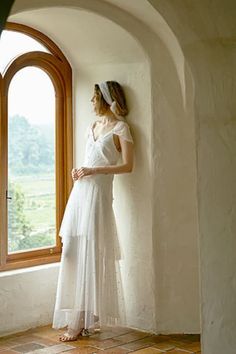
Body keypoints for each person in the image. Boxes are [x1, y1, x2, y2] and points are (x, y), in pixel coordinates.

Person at [52, 80, 134, 342]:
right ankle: (85, 317)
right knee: (74, 252)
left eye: (94, 98)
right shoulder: (92, 127)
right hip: (81, 193)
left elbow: (127, 166)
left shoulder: (122, 128)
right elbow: (89, 160)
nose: (91, 103)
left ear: (107, 100)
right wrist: (79, 170)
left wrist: (93, 170)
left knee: (93, 255)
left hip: (99, 195)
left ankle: (79, 322)